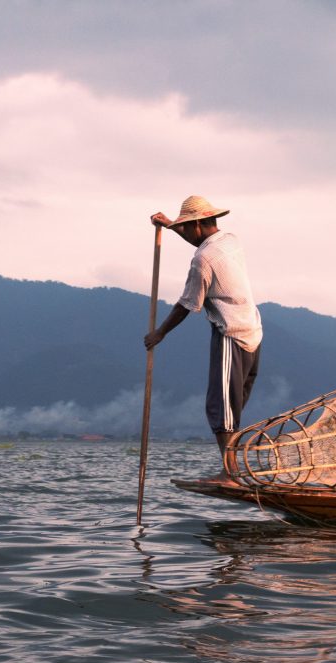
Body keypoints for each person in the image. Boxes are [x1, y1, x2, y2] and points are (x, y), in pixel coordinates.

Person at [144, 195, 263, 472]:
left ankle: (231, 472)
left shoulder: (202, 260)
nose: (184, 232)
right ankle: (233, 466)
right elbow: (199, 236)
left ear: (197, 225)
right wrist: (172, 225)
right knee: (233, 404)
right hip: (253, 331)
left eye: (186, 227)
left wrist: (159, 333)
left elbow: (188, 304)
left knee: (220, 407)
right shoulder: (231, 240)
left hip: (230, 334)